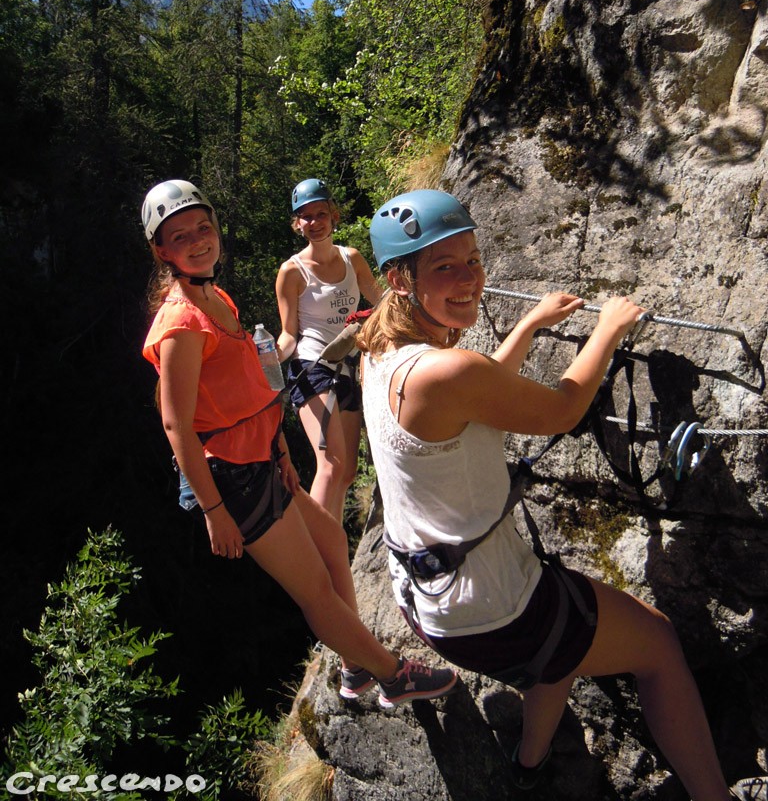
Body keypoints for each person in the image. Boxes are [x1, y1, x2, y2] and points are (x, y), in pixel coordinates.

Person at [357, 188, 733, 799]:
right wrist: (607, 329)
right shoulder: (443, 372)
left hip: (429, 601)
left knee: (558, 647)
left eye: (473, 259)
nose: (468, 279)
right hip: (496, 608)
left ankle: (529, 768)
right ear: (400, 279)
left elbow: (478, 399)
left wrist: (529, 323)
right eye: (444, 267)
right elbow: (561, 408)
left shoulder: (379, 353)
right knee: (657, 644)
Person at [139, 179, 457, 709]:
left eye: (203, 227)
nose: (198, 240)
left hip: (260, 462)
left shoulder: (214, 296)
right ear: (161, 250)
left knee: (332, 543)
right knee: (313, 587)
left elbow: (252, 386)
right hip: (231, 481)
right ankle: (391, 674)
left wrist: (282, 453)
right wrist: (216, 512)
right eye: (180, 236)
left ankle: (356, 666)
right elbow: (178, 426)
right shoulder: (180, 322)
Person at [275, 178, 383, 524]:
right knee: (330, 465)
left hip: (351, 363)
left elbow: (381, 301)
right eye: (306, 217)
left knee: (348, 471)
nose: (315, 222)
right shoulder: (292, 272)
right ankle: (318, 555)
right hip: (313, 365)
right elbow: (289, 335)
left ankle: (331, 543)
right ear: (297, 224)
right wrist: (268, 356)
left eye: (321, 213)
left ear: (334, 215)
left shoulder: (352, 259)